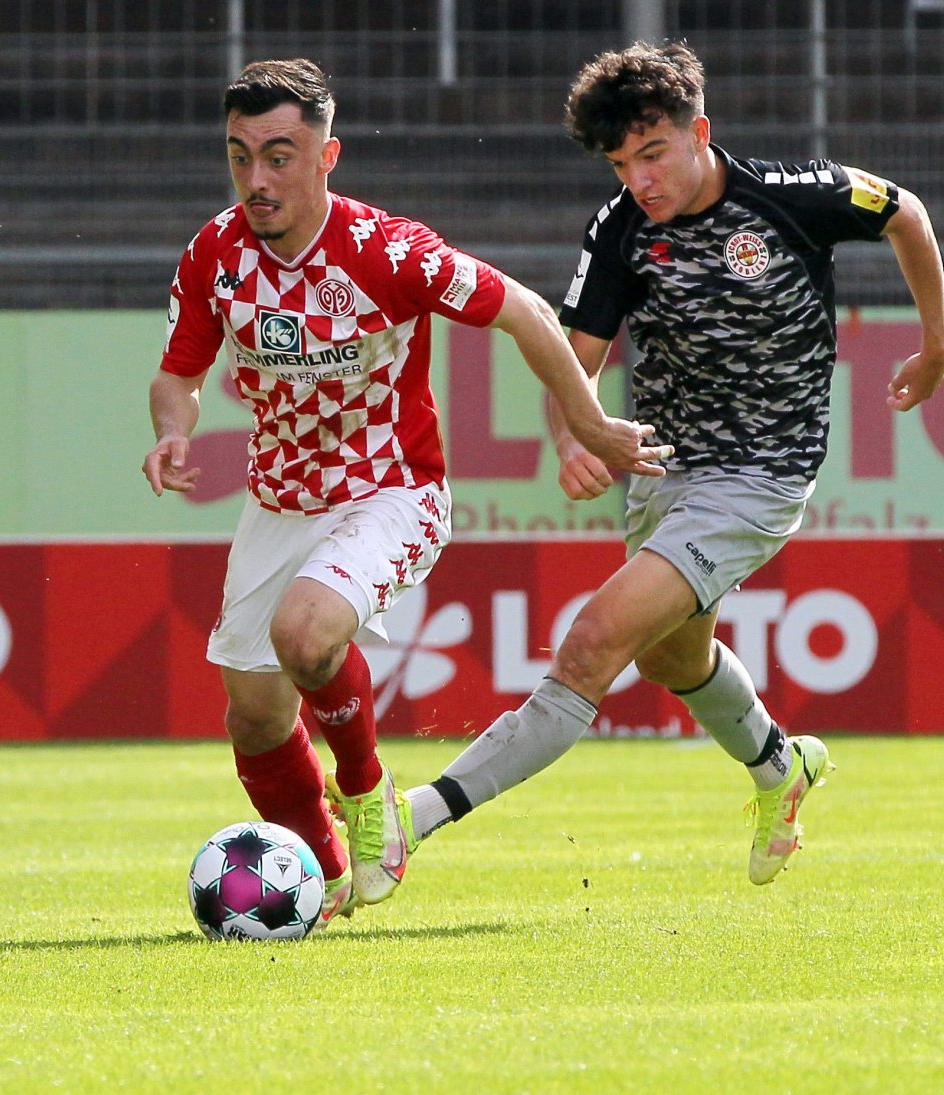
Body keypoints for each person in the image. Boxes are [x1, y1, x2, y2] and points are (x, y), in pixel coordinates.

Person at [392, 41, 944, 887]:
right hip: (664, 473)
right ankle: (780, 767)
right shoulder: (618, 232)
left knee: (591, 645)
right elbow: (569, 358)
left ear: (701, 132)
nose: (640, 180)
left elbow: (905, 210)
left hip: (761, 475)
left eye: (653, 154)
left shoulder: (794, 195)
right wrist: (572, 434)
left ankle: (409, 822)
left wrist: (938, 341)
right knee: (672, 660)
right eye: (623, 163)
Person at [141, 58, 670, 920]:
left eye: (279, 155)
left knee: (306, 634)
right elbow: (179, 372)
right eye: (240, 156)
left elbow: (528, 313)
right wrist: (173, 428)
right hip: (277, 503)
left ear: (326, 155)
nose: (257, 179)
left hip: (392, 491)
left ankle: (367, 787)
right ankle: (325, 878)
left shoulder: (386, 251)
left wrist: (590, 422)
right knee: (257, 720)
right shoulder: (216, 253)